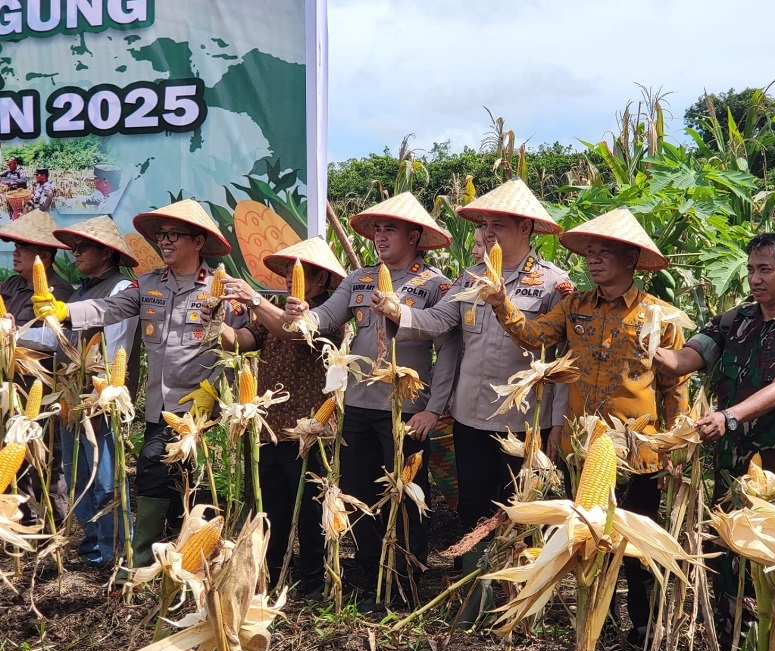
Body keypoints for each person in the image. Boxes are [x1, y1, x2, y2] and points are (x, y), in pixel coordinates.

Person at [478, 206, 689, 643]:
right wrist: (502, 305)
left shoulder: (659, 315)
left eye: (603, 253)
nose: (593, 259)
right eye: (589, 252)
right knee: (591, 538)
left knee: (636, 545)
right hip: (585, 449)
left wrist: (674, 451)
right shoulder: (575, 307)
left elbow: (674, 387)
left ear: (631, 259)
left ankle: (644, 625)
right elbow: (534, 336)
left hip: (638, 450)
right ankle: (600, 619)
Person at [369, 178, 572, 594]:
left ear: (526, 229)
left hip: (523, 420)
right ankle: (473, 590)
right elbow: (440, 322)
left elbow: (563, 360)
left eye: (500, 222)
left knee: (523, 509)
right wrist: (398, 312)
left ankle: (519, 595)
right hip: (470, 416)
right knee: (475, 508)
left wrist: (556, 424)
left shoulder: (554, 284)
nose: (489, 231)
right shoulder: (470, 278)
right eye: (485, 223)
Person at [652, 231, 775, 651]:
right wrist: (650, 346)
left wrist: (729, 416)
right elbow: (685, 360)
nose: (753, 278)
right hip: (733, 471)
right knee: (734, 567)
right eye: (750, 269)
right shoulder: (733, 321)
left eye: (764, 269)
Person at [32, 199, 249, 568]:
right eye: (161, 236)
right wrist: (66, 311)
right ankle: (182, 553)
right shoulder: (149, 285)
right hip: (157, 407)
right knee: (176, 480)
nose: (164, 242)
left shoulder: (223, 288)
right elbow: (108, 308)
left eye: (173, 235)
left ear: (198, 243)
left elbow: (244, 339)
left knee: (151, 466)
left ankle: (144, 555)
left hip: (199, 408)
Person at [284, 192, 460, 609]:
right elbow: (326, 318)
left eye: (391, 229)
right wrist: (301, 313)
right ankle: (369, 574)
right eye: (377, 229)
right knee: (359, 492)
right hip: (359, 406)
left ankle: (407, 581)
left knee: (407, 494)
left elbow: (449, 348)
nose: (380, 236)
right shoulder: (359, 278)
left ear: (415, 236)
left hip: (407, 409)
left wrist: (434, 408)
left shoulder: (434, 285)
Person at [211, 237, 347, 594]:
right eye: (288, 271)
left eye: (302, 273)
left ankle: (315, 580)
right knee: (270, 506)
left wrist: (253, 300)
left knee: (310, 510)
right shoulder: (273, 307)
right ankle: (271, 575)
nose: (291, 278)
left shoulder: (330, 313)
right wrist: (213, 319)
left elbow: (295, 331)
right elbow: (242, 340)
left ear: (322, 281)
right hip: (269, 426)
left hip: (310, 428)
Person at [52, 215, 140, 564]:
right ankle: (93, 549)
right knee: (78, 476)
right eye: (74, 247)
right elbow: (61, 340)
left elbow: (115, 347)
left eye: (83, 246)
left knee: (105, 480)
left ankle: (115, 550)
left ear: (106, 253)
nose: (76, 253)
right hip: (71, 398)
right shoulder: (80, 290)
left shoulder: (121, 289)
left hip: (101, 397)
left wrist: (100, 391)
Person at [0, 210, 73, 526]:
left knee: (40, 457)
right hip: (10, 387)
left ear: (44, 254)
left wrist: (13, 335)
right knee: (10, 452)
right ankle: (17, 518)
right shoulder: (11, 285)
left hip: (41, 391)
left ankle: (53, 524)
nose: (15, 253)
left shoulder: (60, 293)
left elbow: (58, 339)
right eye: (14, 246)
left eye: (22, 248)